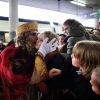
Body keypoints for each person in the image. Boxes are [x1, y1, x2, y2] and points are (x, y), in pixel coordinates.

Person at [0, 21, 58, 100]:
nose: (37, 37)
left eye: (37, 34)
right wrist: (41, 54)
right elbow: (30, 77)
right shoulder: (13, 53)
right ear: (23, 37)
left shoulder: (26, 50)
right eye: (33, 34)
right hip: (19, 94)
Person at [35, 31, 96, 100]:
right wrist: (61, 72)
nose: (71, 56)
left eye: (41, 40)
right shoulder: (78, 69)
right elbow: (69, 72)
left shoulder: (87, 81)